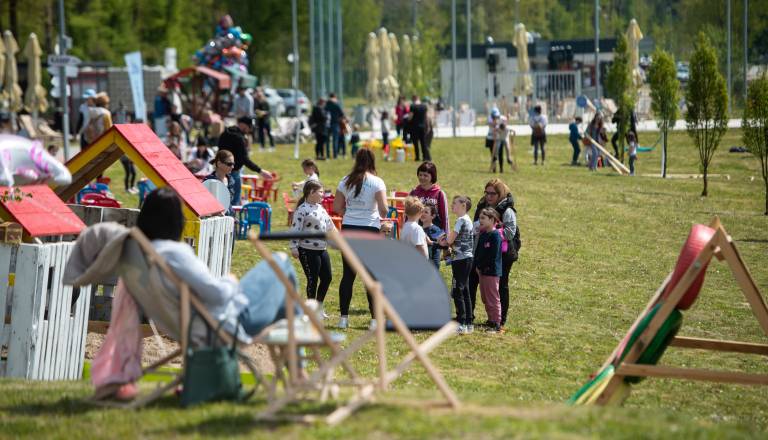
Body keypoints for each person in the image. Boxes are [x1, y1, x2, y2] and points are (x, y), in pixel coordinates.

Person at [333, 149, 388, 330]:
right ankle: (374, 320)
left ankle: (343, 319)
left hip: (349, 228)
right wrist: (377, 216)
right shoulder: (377, 182)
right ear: (372, 161)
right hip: (369, 230)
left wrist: (350, 213)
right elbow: (384, 209)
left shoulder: (345, 180)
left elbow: (336, 207)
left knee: (348, 275)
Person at [470, 179, 517, 330]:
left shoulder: (507, 210)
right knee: (472, 281)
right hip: (480, 251)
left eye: (493, 193)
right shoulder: (482, 206)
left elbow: (510, 232)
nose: (489, 196)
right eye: (487, 193)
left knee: (500, 286)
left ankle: (499, 321)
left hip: (502, 255)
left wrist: (492, 231)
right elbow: (476, 226)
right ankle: (467, 316)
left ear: (500, 194)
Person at [290, 180, 335, 318]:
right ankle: (310, 311)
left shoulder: (320, 208)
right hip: (307, 249)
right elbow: (295, 229)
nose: (323, 194)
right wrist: (293, 247)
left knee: (327, 278)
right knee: (313, 279)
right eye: (320, 192)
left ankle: (318, 307)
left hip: (322, 248)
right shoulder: (302, 210)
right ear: (311, 192)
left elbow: (330, 226)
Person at [217, 116, 273, 205]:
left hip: (220, 171)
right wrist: (260, 171)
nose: (250, 130)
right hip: (233, 173)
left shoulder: (225, 133)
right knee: (234, 202)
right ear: (243, 125)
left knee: (221, 200)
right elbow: (244, 159)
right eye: (249, 127)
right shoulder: (239, 138)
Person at [439, 196, 474, 334]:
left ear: (464, 205)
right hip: (467, 258)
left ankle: (461, 323)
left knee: (458, 290)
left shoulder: (460, 220)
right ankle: (469, 322)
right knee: (465, 290)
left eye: (455, 203)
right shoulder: (468, 219)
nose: (452, 205)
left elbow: (449, 240)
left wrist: (442, 241)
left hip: (460, 259)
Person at [473, 208, 503, 333]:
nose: (480, 221)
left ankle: (496, 323)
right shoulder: (483, 234)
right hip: (482, 271)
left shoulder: (495, 236)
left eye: (483, 218)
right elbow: (479, 252)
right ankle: (490, 320)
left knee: (492, 297)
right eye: (480, 218)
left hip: (491, 272)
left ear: (492, 220)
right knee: (485, 297)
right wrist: (477, 266)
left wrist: (483, 266)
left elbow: (493, 256)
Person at [409, 161, 449, 233]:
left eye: (425, 175)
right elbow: (408, 214)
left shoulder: (439, 193)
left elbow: (444, 217)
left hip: (434, 234)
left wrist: (446, 235)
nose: (422, 177)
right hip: (416, 233)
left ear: (432, 176)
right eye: (420, 175)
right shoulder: (414, 192)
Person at [421, 204, 444, 269]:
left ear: (433, 216)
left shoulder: (436, 229)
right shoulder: (418, 229)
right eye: (422, 211)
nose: (423, 214)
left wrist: (430, 242)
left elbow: (445, 245)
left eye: (426, 212)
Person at [409, 95, 430, 161]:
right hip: (423, 126)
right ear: (418, 98)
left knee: (415, 143)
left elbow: (410, 117)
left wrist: (407, 119)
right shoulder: (424, 106)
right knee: (423, 142)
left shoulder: (412, 106)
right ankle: (424, 157)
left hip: (415, 127)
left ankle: (417, 157)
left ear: (413, 99)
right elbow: (426, 117)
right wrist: (428, 126)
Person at [325, 93, 345, 159]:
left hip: (327, 124)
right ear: (335, 97)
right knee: (335, 140)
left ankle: (328, 155)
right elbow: (342, 114)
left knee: (327, 141)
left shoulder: (326, 105)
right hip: (335, 124)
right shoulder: (336, 104)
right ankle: (335, 155)